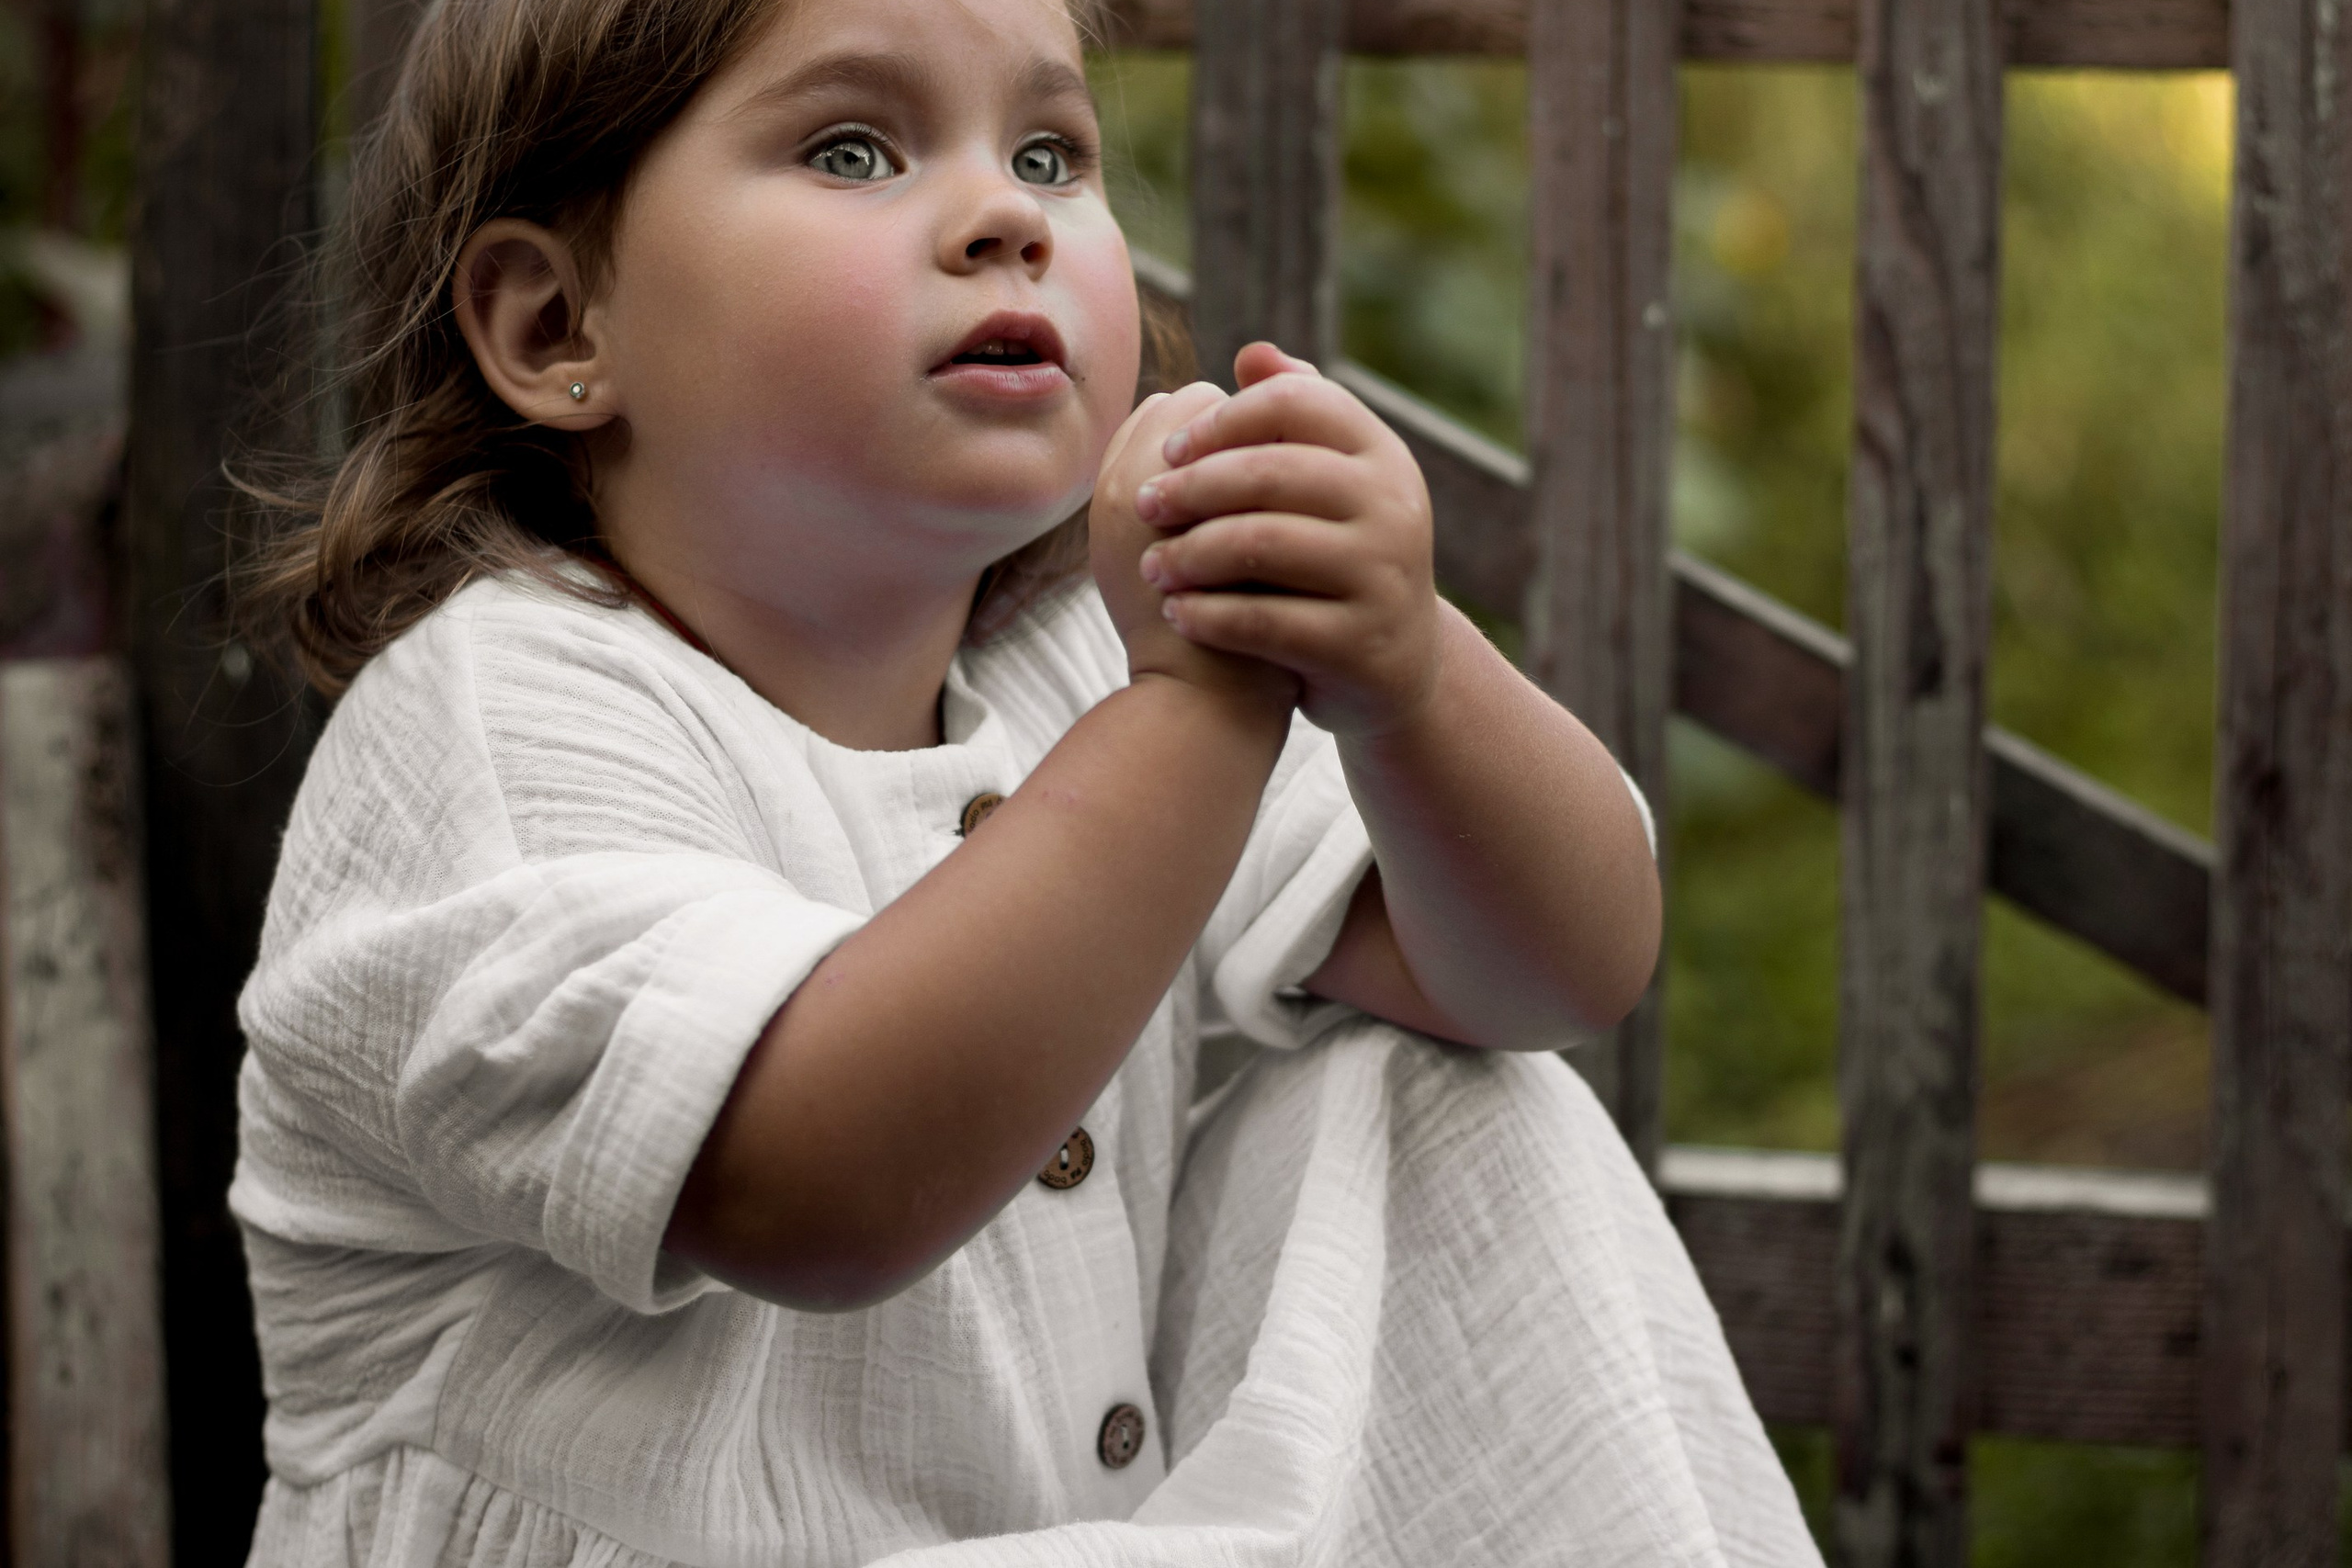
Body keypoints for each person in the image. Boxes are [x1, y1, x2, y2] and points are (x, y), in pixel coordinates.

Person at [231, 0, 1822, 1562]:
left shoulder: (1067, 654)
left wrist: (1411, 674)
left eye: (1053, 153)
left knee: (1428, 1081)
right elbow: (822, 1183)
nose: (1004, 215)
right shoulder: (499, 733)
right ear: (558, 329)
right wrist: (1197, 707)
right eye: (854, 149)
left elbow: (1559, 971)